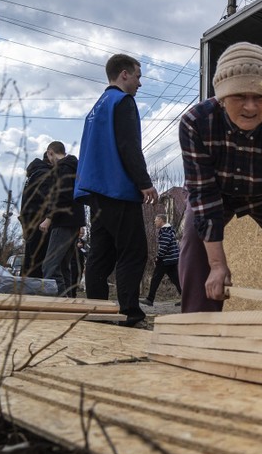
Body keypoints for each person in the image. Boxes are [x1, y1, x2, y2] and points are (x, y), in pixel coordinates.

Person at [178, 42, 262, 313]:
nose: (251, 107)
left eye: (260, 97)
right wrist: (218, 265)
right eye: (240, 96)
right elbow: (203, 196)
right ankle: (199, 322)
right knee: (196, 240)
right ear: (221, 96)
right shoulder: (195, 123)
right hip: (216, 193)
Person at [75, 54, 158, 327]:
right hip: (118, 189)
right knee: (133, 252)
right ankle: (130, 314)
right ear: (124, 74)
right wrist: (144, 182)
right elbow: (128, 145)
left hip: (95, 192)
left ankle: (96, 312)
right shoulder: (123, 102)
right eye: (138, 76)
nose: (140, 83)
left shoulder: (96, 108)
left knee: (101, 254)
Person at [39, 141, 86, 297]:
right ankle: (68, 302)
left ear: (50, 152)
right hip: (73, 221)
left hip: (63, 221)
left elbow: (62, 196)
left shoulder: (63, 167)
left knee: (49, 266)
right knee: (63, 265)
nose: (49, 161)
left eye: (49, 157)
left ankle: (57, 302)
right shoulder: (74, 166)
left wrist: (49, 218)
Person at [18, 152, 53, 278]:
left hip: (30, 219)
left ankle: (25, 288)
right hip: (39, 221)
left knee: (31, 258)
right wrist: (49, 217)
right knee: (37, 260)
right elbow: (48, 198)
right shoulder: (45, 174)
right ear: (50, 156)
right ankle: (32, 291)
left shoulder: (34, 173)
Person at [140, 214, 182, 306]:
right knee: (176, 279)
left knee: (155, 279)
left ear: (161, 220)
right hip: (172, 259)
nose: (154, 222)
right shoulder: (169, 230)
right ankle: (186, 298)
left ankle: (150, 299)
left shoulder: (165, 231)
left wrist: (158, 258)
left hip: (166, 260)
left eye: (156, 220)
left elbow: (164, 246)